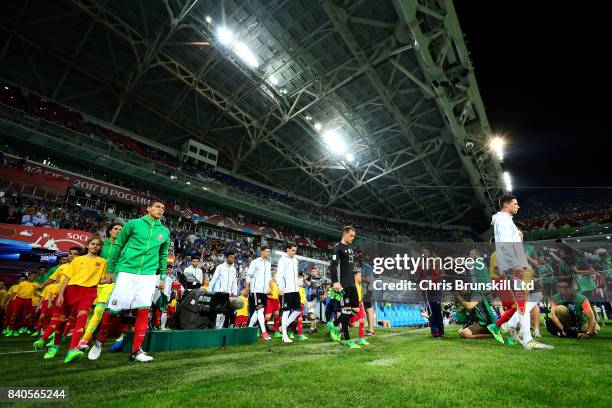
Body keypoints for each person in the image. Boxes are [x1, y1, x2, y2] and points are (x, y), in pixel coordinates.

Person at [88, 201, 170, 363]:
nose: (161, 210)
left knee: (144, 311)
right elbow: (118, 244)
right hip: (127, 271)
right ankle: (99, 342)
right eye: (157, 207)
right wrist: (112, 270)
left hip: (147, 275)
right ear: (148, 208)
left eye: (163, 209)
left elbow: (163, 255)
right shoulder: (134, 224)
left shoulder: (164, 231)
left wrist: (161, 277)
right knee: (113, 310)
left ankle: (136, 351)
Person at [489, 194, 552, 350]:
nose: (518, 206)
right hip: (514, 266)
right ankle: (525, 338)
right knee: (523, 301)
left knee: (522, 302)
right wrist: (515, 264)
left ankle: (523, 336)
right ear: (506, 204)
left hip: (514, 265)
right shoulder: (503, 220)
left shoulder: (504, 220)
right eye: (515, 204)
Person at [34, 236, 108, 363]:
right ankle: (54, 347)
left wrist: (110, 279)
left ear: (101, 247)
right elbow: (67, 278)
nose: (95, 246)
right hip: (71, 290)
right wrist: (61, 294)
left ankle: (72, 350)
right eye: (93, 244)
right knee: (61, 320)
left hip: (89, 292)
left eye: (98, 245)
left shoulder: (102, 262)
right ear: (88, 245)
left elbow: (101, 279)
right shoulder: (77, 259)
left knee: (82, 318)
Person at [78, 222, 123, 350]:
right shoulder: (101, 243)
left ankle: (84, 339)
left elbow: (122, 262)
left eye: (121, 229)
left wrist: (114, 275)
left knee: (99, 309)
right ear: (109, 231)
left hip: (110, 280)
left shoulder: (123, 246)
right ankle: (87, 335)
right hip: (95, 279)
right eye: (115, 229)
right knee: (89, 310)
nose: (118, 231)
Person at [329, 226, 361, 349]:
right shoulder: (338, 247)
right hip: (343, 284)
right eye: (351, 235)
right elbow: (333, 265)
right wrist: (335, 282)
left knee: (356, 310)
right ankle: (347, 341)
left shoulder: (350, 249)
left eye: (354, 236)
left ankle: (334, 324)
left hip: (351, 284)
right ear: (345, 234)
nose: (353, 238)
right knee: (346, 311)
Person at [277, 242, 302, 343]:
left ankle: (284, 326)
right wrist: (280, 287)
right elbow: (279, 274)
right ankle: (284, 335)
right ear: (287, 249)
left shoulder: (295, 260)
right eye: (292, 250)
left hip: (295, 290)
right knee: (286, 311)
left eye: (295, 251)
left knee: (298, 309)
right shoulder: (282, 260)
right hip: (286, 290)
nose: (294, 252)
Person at [246, 245, 272, 340]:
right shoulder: (255, 262)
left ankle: (249, 328)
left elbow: (269, 277)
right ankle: (264, 332)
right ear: (261, 252)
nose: (267, 253)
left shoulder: (268, 263)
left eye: (269, 252)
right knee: (260, 310)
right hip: (256, 289)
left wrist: (270, 288)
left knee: (258, 311)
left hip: (264, 290)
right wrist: (247, 288)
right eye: (266, 251)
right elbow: (248, 275)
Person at [209, 250, 238, 328]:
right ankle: (216, 327)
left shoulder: (233, 269)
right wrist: (209, 291)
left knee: (226, 312)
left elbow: (234, 281)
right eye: (231, 257)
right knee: (218, 311)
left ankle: (221, 327)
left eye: (233, 257)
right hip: (219, 292)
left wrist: (234, 292)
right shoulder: (220, 267)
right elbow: (214, 279)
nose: (232, 259)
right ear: (227, 258)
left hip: (228, 294)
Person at [264, 270, 281, 337]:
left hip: (276, 301)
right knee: (267, 317)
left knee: (277, 316)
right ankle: (259, 328)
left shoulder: (277, 284)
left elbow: (278, 294)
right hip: (270, 300)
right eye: (276, 276)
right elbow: (267, 291)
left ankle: (276, 332)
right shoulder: (269, 282)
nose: (277, 278)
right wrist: (268, 291)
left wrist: (278, 302)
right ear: (272, 277)